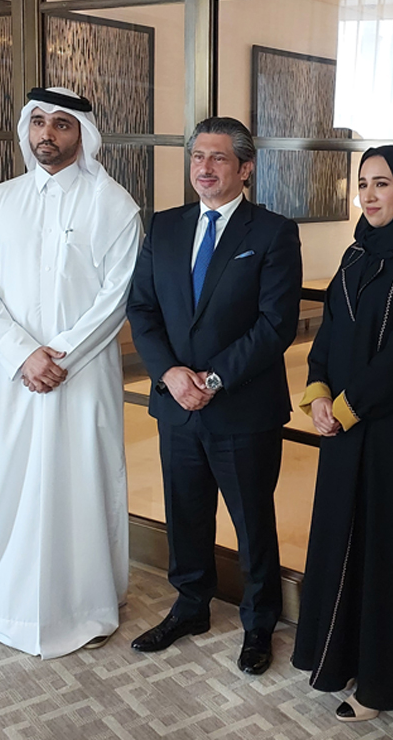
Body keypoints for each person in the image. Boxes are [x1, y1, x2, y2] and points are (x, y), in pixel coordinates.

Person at [0, 87, 141, 657]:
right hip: (17, 378)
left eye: (61, 124)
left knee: (82, 483)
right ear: (24, 129)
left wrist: (57, 355)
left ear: (82, 133)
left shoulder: (115, 205)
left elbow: (117, 297)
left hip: (82, 379)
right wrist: (23, 354)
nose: (48, 134)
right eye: (38, 122)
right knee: (11, 486)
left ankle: (88, 606)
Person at [126, 116, 302, 675]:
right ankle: (192, 605)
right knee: (186, 512)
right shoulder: (167, 225)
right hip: (175, 403)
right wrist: (172, 375)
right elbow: (143, 309)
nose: (204, 168)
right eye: (198, 156)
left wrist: (214, 379)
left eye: (219, 158)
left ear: (245, 168)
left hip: (242, 406)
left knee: (252, 521)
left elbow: (277, 325)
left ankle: (258, 623)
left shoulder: (272, 232)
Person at [291, 146, 393, 720]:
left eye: (382, 183)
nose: (369, 194)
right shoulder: (358, 251)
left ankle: (383, 683)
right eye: (363, 183)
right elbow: (330, 330)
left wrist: (349, 404)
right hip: (343, 426)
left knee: (386, 549)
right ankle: (337, 656)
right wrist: (316, 395)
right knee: (343, 540)